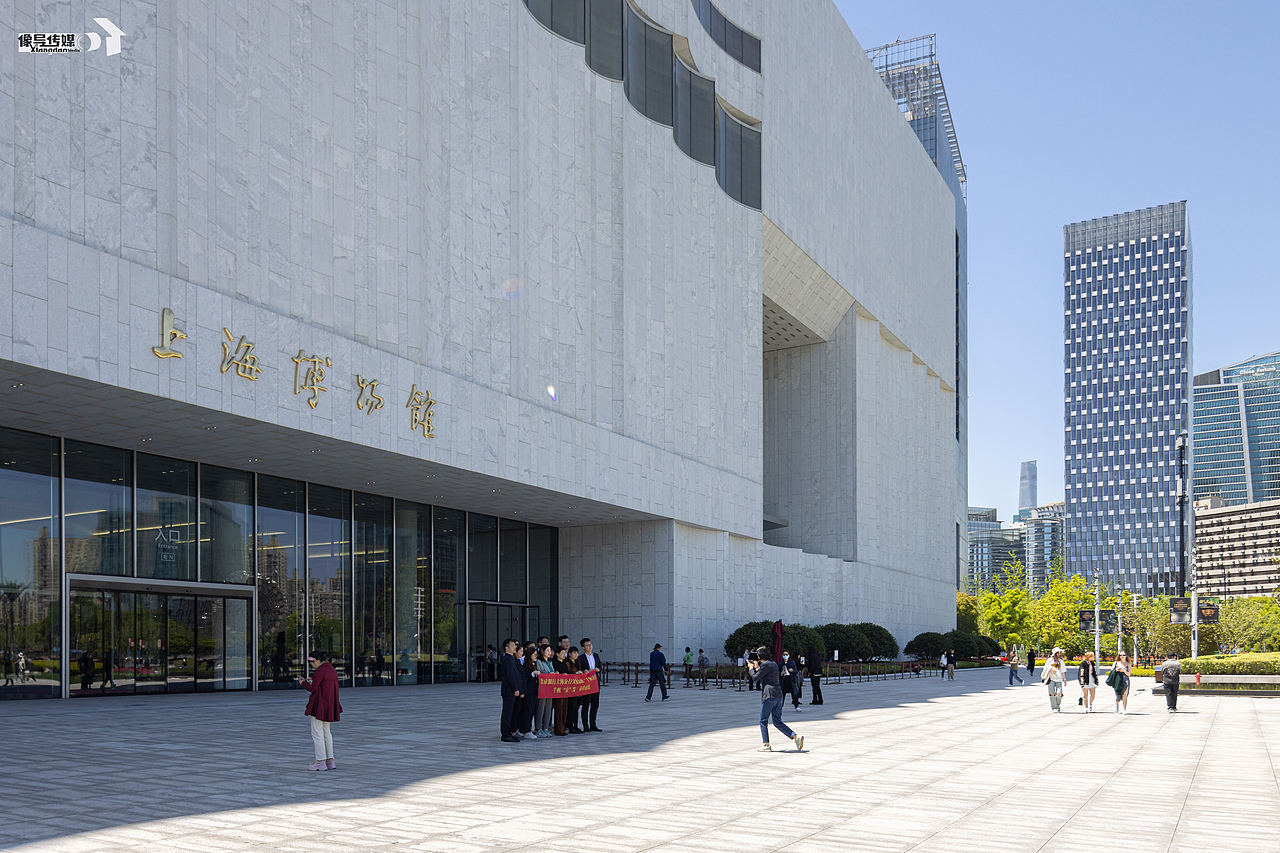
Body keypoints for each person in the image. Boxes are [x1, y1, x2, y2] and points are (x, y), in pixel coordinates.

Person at [746, 646, 805, 753]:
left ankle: (766, 744)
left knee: (763, 721)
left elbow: (755, 678)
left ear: (760, 656)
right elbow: (765, 674)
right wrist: (757, 668)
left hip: (769, 695)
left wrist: (751, 668)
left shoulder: (765, 665)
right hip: (778, 695)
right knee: (777, 721)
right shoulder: (772, 663)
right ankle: (795, 737)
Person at [299, 651, 342, 770]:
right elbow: (323, 685)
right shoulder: (331, 669)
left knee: (317, 733)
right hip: (329, 704)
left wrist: (303, 683)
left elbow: (313, 688)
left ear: (317, 660)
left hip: (319, 705)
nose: (312, 665)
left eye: (311, 663)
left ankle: (320, 761)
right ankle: (330, 760)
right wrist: (312, 680)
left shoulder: (320, 670)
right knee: (326, 732)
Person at [499, 638, 524, 742]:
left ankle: (509, 732)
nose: (515, 647)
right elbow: (510, 676)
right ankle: (505, 734)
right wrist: (515, 688)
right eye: (513, 645)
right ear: (507, 647)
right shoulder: (507, 659)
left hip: (512, 690)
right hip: (509, 691)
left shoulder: (512, 659)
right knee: (507, 713)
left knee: (511, 712)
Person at [579, 638, 603, 732]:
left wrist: (598, 669)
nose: (589, 647)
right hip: (586, 684)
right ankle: (585, 725)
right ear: (583, 647)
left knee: (595, 704)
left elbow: (600, 665)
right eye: (587, 645)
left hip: (595, 682)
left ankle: (593, 724)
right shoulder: (581, 658)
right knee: (586, 705)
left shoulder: (596, 655)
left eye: (590, 644)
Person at [534, 645, 556, 737]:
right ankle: (538, 728)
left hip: (550, 688)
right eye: (547, 650)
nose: (549, 653)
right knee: (541, 708)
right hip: (542, 688)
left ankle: (546, 728)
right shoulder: (538, 662)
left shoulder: (550, 662)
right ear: (542, 651)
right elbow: (539, 674)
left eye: (550, 651)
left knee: (548, 709)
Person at [519, 642, 540, 738]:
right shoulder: (526, 664)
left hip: (535, 690)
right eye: (534, 655)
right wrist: (533, 673)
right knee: (527, 710)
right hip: (529, 691)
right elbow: (526, 676)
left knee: (532, 710)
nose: (536, 656)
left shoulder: (534, 663)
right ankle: (526, 730)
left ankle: (527, 728)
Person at [551, 646, 572, 735]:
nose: (564, 655)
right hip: (558, 690)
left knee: (565, 709)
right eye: (562, 653)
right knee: (559, 709)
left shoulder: (565, 663)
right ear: (557, 654)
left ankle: (563, 727)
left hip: (565, 689)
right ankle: (558, 729)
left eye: (565, 653)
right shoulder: (555, 663)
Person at [566, 646, 584, 733]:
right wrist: (575, 673)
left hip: (578, 689)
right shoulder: (567, 663)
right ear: (569, 654)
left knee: (577, 707)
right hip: (571, 689)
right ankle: (570, 726)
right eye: (574, 653)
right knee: (572, 708)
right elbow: (568, 674)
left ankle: (576, 726)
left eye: (577, 653)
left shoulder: (577, 663)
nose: (576, 655)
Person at [1041, 648, 1066, 712]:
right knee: (1052, 693)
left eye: (1060, 652)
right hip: (1051, 678)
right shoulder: (1049, 660)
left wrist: (1064, 679)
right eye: (1058, 652)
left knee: (1059, 693)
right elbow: (1045, 668)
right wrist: (1051, 669)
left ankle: (1057, 705)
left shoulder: (1060, 661)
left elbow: (1062, 670)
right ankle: (1054, 707)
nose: (1060, 654)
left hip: (1059, 679)